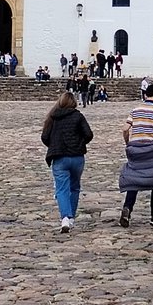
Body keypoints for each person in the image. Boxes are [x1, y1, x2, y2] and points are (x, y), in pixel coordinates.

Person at [41, 90, 93, 234]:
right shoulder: (78, 116)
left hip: (59, 157)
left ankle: (65, 217)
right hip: (77, 157)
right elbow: (88, 134)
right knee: (74, 187)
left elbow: (45, 136)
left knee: (62, 189)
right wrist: (80, 143)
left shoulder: (53, 117)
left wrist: (54, 145)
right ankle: (71, 219)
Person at [119, 82, 153, 228]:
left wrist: (129, 143)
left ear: (145, 94)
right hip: (152, 148)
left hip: (136, 148)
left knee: (134, 179)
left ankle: (127, 208)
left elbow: (125, 129)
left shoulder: (135, 110)